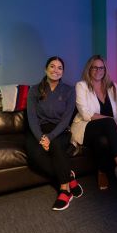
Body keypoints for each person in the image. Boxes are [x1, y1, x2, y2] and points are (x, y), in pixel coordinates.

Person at [70, 55, 117, 193]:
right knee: (109, 122)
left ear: (105, 70)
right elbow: (85, 113)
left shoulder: (112, 87)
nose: (98, 70)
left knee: (103, 141)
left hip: (106, 131)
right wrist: (111, 121)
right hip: (86, 127)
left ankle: (102, 171)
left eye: (101, 67)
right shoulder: (81, 86)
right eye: (94, 67)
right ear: (89, 69)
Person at [26, 56, 83, 211]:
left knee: (57, 146)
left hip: (59, 130)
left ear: (62, 72)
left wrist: (50, 138)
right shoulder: (34, 89)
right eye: (52, 66)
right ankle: (68, 176)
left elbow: (66, 119)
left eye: (59, 68)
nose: (55, 70)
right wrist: (41, 137)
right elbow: (31, 117)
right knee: (35, 155)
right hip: (39, 129)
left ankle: (65, 190)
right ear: (46, 69)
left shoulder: (69, 90)